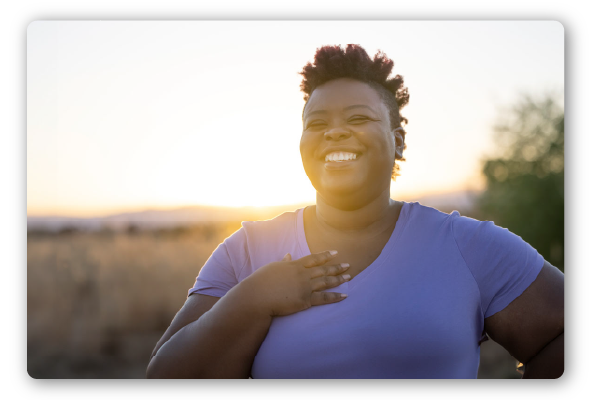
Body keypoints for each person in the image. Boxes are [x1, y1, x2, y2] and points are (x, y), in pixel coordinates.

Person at [146, 44, 564, 379]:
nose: (334, 131)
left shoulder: (469, 246)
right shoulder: (246, 251)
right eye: (316, 122)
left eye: (358, 117)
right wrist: (253, 299)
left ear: (398, 141)